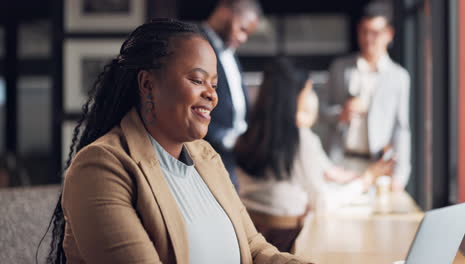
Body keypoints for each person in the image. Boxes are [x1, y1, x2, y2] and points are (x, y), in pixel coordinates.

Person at [45, 19, 311, 264]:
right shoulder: (100, 169)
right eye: (197, 80)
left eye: (214, 85)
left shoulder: (206, 156)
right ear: (147, 84)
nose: (212, 95)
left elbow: (254, 249)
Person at [235, 58, 393, 252]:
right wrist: (366, 180)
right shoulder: (299, 138)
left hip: (247, 240)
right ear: (295, 97)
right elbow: (322, 202)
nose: (312, 99)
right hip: (287, 240)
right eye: (309, 91)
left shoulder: (246, 134)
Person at [321, 2, 411, 191]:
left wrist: (401, 175)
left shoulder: (399, 77)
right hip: (340, 163)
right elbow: (320, 111)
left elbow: (401, 129)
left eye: (375, 33)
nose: (368, 39)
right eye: (364, 31)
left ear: (389, 35)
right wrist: (341, 114)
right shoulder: (340, 68)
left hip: (377, 167)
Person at [199, 0, 261, 190]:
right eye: (242, 29)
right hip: (206, 155)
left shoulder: (230, 52)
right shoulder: (195, 44)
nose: (243, 39)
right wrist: (228, 139)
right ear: (225, 11)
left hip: (234, 159)